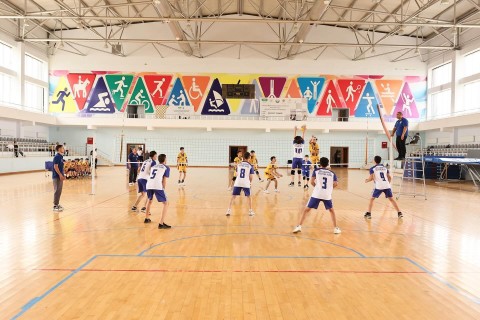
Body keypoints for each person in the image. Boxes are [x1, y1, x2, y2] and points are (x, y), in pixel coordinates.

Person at [293, 157, 341, 234]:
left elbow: (311, 182)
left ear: (320, 164)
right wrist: (329, 188)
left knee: (306, 210)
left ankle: (299, 226)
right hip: (327, 194)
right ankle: (336, 228)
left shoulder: (316, 171)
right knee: (331, 210)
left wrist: (317, 187)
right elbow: (336, 184)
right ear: (327, 164)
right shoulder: (332, 173)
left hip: (317, 193)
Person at [144, 154, 171, 229]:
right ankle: (161, 223)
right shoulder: (166, 167)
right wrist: (163, 189)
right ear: (165, 159)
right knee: (166, 203)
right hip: (157, 185)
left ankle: (146, 218)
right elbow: (164, 180)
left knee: (149, 200)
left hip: (149, 184)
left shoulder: (154, 166)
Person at [226, 152, 255, 216]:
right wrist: (250, 183)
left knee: (233, 197)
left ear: (243, 157)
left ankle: (228, 210)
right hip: (245, 183)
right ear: (249, 157)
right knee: (249, 197)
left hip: (238, 182)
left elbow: (236, 174)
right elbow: (251, 176)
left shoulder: (239, 164)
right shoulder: (250, 166)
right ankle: (250, 211)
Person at [52, 144, 66, 212]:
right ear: (59, 149)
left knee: (59, 191)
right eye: (63, 148)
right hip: (56, 176)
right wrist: (60, 175)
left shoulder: (61, 157)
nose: (64, 149)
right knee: (57, 191)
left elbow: (61, 167)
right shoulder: (57, 157)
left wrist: (63, 175)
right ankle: (55, 206)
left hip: (60, 176)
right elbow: (55, 167)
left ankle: (57, 204)